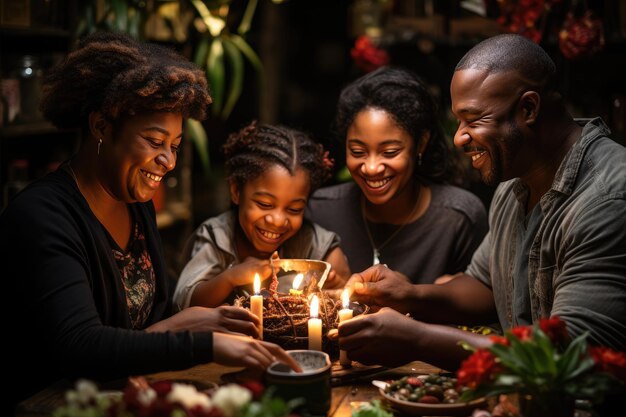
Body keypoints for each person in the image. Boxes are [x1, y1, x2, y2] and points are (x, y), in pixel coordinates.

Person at [0, 32, 299, 411]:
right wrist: (203, 340)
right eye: (154, 141)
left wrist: (190, 319)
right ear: (101, 127)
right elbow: (81, 347)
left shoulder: (137, 205)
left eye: (174, 146)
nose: (169, 162)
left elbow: (150, 322)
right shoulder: (42, 217)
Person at [337, 34, 626, 371]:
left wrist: (418, 340)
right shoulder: (514, 181)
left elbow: (569, 354)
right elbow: (486, 285)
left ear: (528, 109)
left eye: (473, 121)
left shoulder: (608, 199)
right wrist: (409, 295)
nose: (459, 137)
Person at [306, 66, 487, 283]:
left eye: (390, 152)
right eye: (358, 152)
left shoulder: (458, 219)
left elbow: (484, 302)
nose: (371, 167)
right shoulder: (318, 210)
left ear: (421, 143)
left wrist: (420, 296)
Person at [174, 121, 351, 310]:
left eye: (294, 209)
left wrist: (337, 290)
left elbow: (350, 306)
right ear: (236, 191)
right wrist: (230, 278)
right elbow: (184, 302)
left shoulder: (319, 249)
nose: (277, 221)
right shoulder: (218, 238)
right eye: (264, 204)